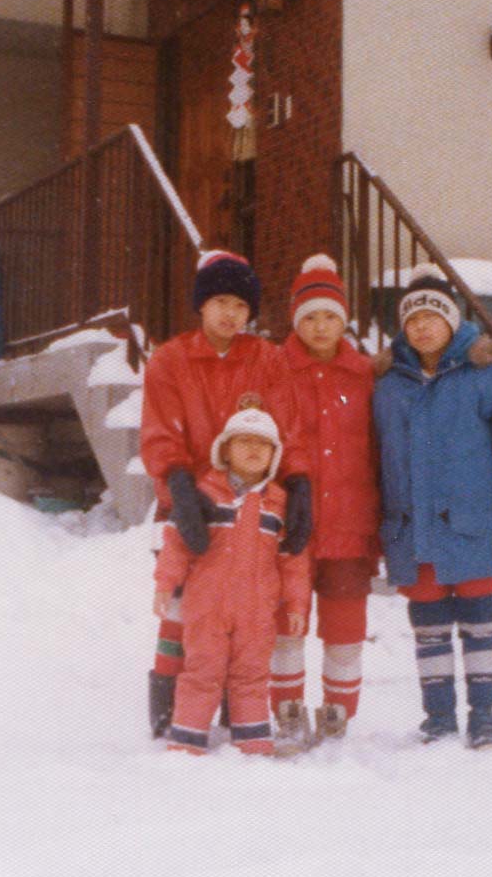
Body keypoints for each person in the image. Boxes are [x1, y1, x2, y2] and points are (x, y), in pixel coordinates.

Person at [372, 263, 492, 748]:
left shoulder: (490, 376)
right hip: (414, 529)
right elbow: (374, 461)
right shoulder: (388, 385)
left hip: (472, 526)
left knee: (479, 619)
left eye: (432, 316)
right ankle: (439, 717)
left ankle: (485, 715)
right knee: (428, 622)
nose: (422, 327)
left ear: (452, 320)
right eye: (412, 319)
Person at [141, 249, 312, 737]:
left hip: (249, 504)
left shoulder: (267, 359)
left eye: (240, 305)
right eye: (219, 302)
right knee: (182, 608)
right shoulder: (170, 360)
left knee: (241, 609)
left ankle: (236, 708)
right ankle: (169, 709)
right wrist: (178, 486)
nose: (229, 314)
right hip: (189, 500)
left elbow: (287, 428)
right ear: (201, 304)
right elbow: (160, 432)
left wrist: (297, 482)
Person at [152, 406, 311, 755]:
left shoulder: (279, 504)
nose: (253, 449)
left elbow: (293, 562)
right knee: (202, 671)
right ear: (225, 450)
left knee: (251, 675)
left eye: (262, 444)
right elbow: (176, 543)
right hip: (207, 606)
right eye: (244, 441)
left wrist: (297, 604)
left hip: (257, 611)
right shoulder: (205, 495)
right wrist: (165, 583)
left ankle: (253, 743)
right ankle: (186, 742)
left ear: (274, 455)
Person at [269, 255, 379, 747]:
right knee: (286, 626)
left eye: (329, 316)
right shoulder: (276, 370)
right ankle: (288, 710)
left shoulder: (364, 376)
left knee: (345, 630)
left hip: (350, 524)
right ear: (296, 320)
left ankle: (338, 714)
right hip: (291, 523)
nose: (319, 326)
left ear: (344, 320)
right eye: (309, 316)